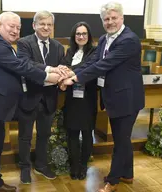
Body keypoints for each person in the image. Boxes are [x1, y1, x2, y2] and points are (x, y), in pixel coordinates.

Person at [0, 12, 62, 192]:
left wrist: (50, 71)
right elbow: (21, 67)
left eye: (18, 28)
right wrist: (49, 77)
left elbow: (20, 68)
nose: (15, 31)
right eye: (11, 26)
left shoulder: (4, 44)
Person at [60, 2, 145, 192]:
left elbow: (103, 65)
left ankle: (113, 181)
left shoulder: (129, 39)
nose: (110, 22)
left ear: (122, 18)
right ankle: (128, 174)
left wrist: (73, 79)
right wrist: (70, 73)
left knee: (121, 141)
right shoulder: (106, 39)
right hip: (115, 98)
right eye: (106, 19)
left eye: (114, 18)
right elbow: (93, 61)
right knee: (122, 138)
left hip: (127, 100)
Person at [16, 10, 65, 184]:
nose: (46, 27)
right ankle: (24, 167)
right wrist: (49, 70)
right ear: (34, 25)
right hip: (29, 97)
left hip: (50, 100)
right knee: (25, 136)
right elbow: (25, 64)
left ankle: (41, 165)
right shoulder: (24, 43)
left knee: (44, 135)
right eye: (42, 24)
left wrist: (63, 73)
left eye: (49, 24)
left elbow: (62, 67)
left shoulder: (59, 47)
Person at [60, 21, 97, 180]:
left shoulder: (95, 52)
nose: (81, 36)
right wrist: (62, 77)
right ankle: (74, 166)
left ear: (88, 36)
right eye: (78, 34)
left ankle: (83, 166)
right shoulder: (70, 51)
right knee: (72, 133)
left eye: (84, 34)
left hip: (87, 99)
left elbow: (88, 67)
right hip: (72, 100)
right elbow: (63, 66)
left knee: (87, 134)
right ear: (74, 36)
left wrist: (68, 75)